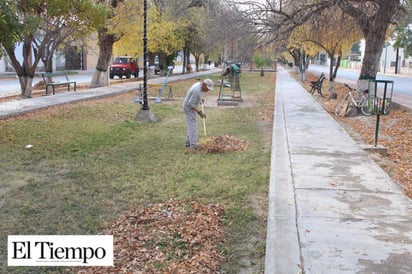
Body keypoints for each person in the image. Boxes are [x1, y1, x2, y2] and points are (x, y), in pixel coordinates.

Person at [183, 79, 214, 149]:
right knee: (193, 126)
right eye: (207, 88)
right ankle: (193, 145)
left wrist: (201, 99)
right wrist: (199, 112)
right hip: (188, 108)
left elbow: (200, 94)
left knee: (191, 125)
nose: (208, 90)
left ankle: (188, 142)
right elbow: (190, 104)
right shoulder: (196, 90)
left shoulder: (200, 86)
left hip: (191, 106)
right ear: (204, 84)